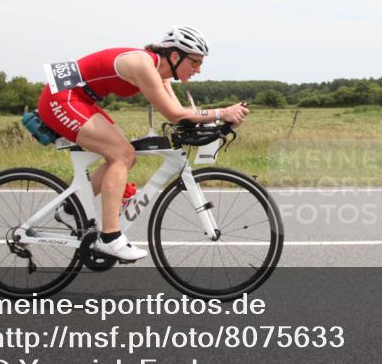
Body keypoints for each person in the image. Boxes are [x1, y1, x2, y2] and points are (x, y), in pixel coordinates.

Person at [36, 25, 249, 262]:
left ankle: (69, 210)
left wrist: (214, 122)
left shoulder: (161, 73)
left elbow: (181, 113)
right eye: (196, 63)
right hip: (62, 98)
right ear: (176, 56)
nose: (199, 70)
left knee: (127, 156)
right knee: (122, 155)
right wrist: (222, 112)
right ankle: (110, 237)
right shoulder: (144, 66)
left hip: (79, 98)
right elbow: (175, 115)